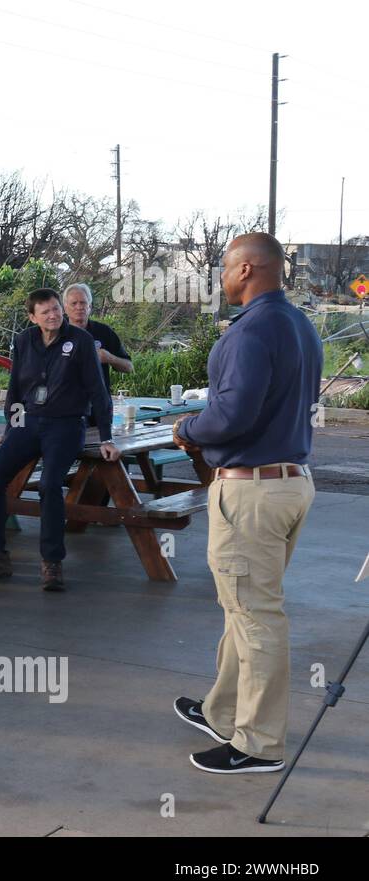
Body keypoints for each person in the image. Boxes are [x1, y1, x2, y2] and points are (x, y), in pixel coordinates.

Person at [171, 232, 321, 775]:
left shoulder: (252, 331)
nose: (221, 276)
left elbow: (232, 416)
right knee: (244, 606)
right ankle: (224, 711)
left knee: (256, 615)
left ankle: (259, 744)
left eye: (226, 268)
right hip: (289, 482)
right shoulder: (300, 325)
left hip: (253, 489)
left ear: (249, 270)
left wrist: (187, 429)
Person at [0, 288, 119, 592]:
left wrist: (106, 437)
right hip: (29, 422)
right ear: (33, 316)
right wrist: (9, 430)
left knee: (50, 485)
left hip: (66, 424)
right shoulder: (24, 341)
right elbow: (15, 389)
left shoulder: (81, 341)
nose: (53, 316)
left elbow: (98, 392)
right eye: (46, 312)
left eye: (55, 310)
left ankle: (52, 563)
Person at [62, 283, 133, 400]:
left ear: (89, 306)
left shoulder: (104, 331)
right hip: (65, 403)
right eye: (74, 303)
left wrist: (109, 357)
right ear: (65, 308)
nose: (79, 307)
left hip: (98, 404)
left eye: (83, 302)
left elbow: (129, 367)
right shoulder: (57, 333)